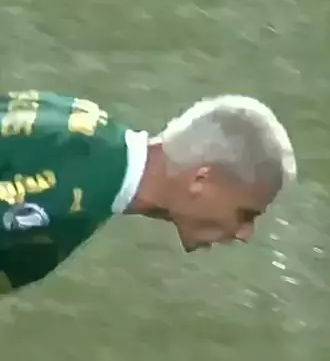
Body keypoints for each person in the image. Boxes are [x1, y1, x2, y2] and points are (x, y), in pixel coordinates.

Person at [0, 90, 296, 293]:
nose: (245, 233)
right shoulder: (74, 198)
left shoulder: (89, 125)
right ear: (201, 180)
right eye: (246, 214)